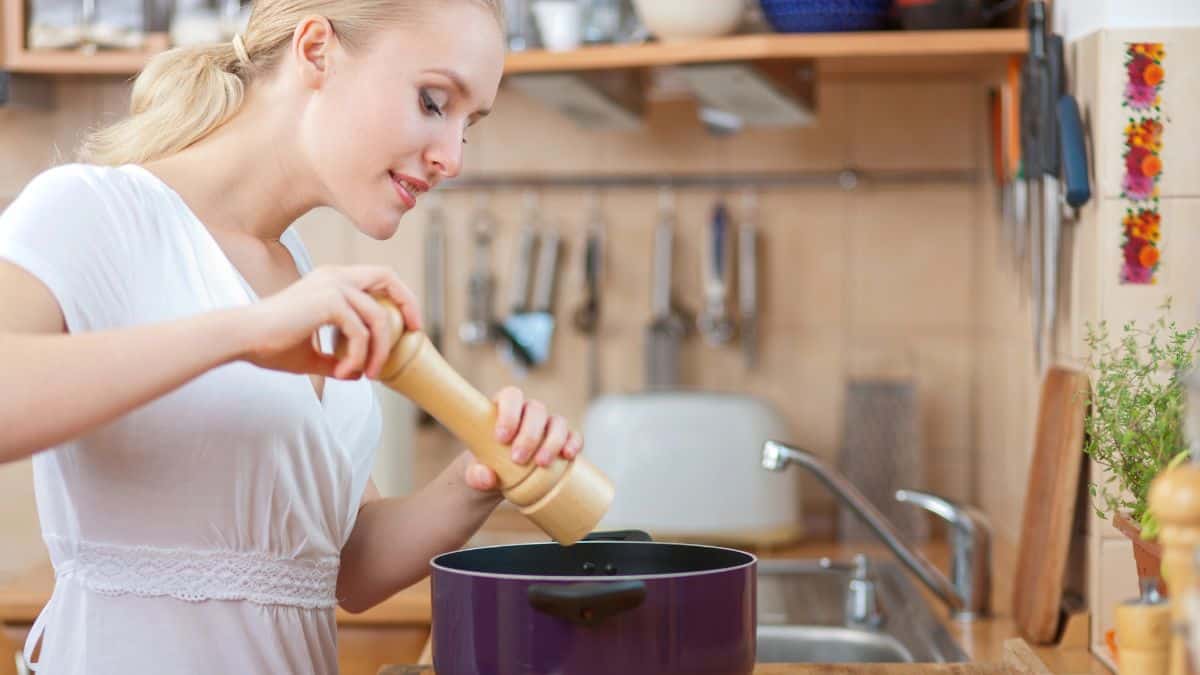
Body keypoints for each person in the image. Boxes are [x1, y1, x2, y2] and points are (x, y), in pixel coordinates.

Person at [0, 0, 584, 671]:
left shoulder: (295, 270)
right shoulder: (96, 212)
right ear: (316, 51)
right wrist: (245, 332)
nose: (450, 158)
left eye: (467, 127)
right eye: (432, 102)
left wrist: (479, 478)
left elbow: (342, 566)